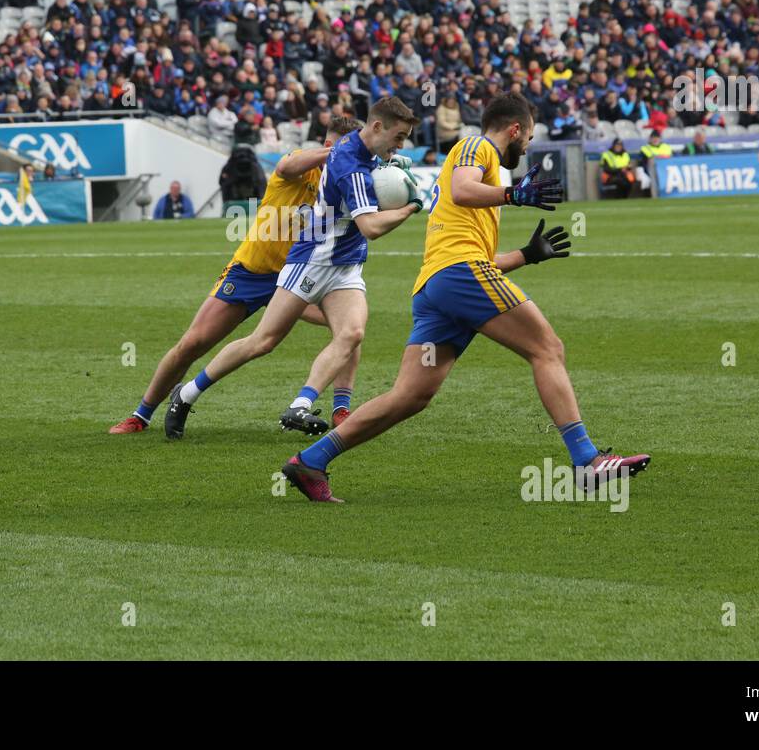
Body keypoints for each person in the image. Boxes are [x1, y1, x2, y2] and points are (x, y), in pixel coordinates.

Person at [279, 94, 650, 502]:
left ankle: (310, 460)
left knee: (410, 396)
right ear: (515, 129)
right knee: (547, 348)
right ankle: (586, 460)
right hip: (459, 275)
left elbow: (475, 254)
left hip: (439, 285)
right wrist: (513, 195)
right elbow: (463, 192)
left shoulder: (474, 166)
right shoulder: (478, 147)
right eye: (528, 137)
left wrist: (526, 255)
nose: (527, 146)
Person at [162, 98, 426, 440]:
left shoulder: (355, 144)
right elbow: (371, 227)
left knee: (351, 333)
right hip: (312, 261)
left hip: (345, 266)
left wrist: (389, 160)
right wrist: (411, 206)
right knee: (263, 341)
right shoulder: (350, 166)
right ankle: (186, 394)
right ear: (377, 127)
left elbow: (367, 154)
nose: (401, 145)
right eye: (399, 137)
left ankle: (301, 405)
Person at [109, 115, 363, 437]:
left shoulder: (347, 181)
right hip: (254, 272)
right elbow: (286, 166)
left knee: (349, 331)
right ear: (329, 145)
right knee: (193, 343)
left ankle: (341, 409)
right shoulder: (301, 165)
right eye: (348, 148)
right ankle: (141, 415)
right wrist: (340, 152)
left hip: (302, 275)